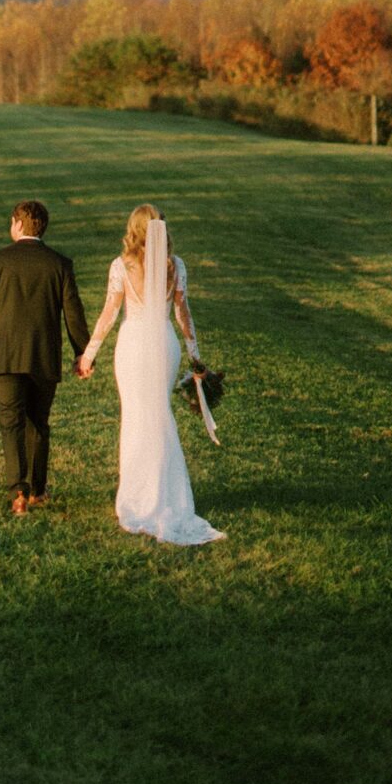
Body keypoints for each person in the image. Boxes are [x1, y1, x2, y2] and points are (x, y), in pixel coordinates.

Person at [80, 203, 225, 543]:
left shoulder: (121, 265)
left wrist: (89, 353)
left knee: (136, 417)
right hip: (164, 344)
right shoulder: (176, 267)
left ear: (134, 228)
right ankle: (165, 496)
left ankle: (137, 498)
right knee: (159, 415)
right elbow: (183, 315)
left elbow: (108, 314)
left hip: (132, 344)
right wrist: (195, 358)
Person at [0, 198, 90, 515]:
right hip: (43, 357)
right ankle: (38, 489)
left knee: (11, 422)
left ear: (17, 223)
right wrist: (84, 353)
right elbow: (74, 315)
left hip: (4, 357)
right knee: (38, 423)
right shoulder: (59, 264)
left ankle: (18, 493)